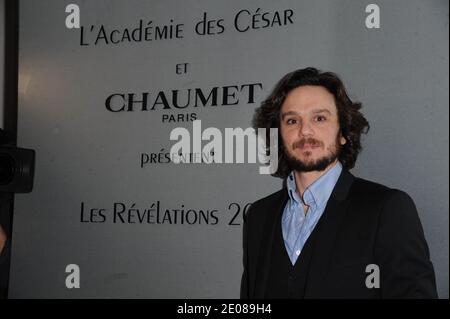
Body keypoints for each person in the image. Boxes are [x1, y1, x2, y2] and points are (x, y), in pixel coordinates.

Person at [240, 67, 437, 299]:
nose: (305, 130)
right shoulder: (259, 216)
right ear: (279, 135)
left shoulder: (386, 209)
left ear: (343, 132)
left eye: (319, 118)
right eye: (292, 120)